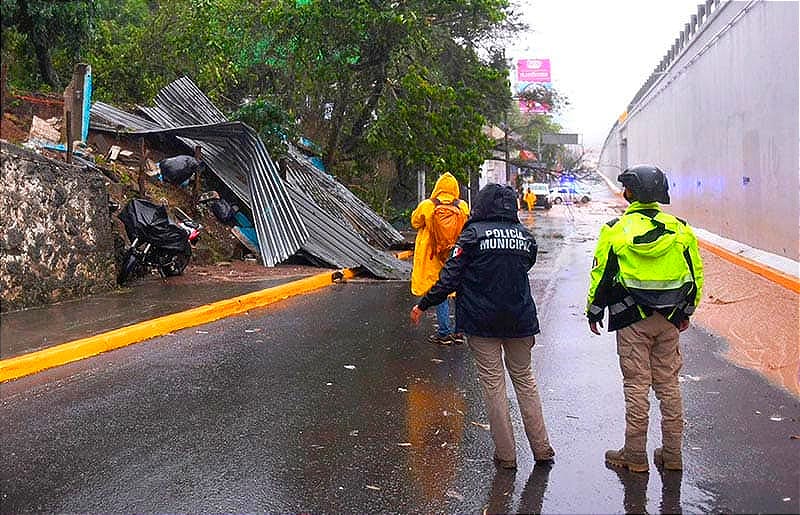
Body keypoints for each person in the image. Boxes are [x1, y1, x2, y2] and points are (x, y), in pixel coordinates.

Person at [410, 183, 555, 469]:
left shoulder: (471, 236)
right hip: (520, 320)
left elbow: (450, 278)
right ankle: (542, 449)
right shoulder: (525, 237)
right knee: (525, 382)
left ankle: (507, 455)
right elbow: (525, 265)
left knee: (494, 385)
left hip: (482, 322)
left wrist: (423, 304)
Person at [586, 164, 704, 473]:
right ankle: (673, 454)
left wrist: (594, 310)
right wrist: (686, 313)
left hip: (631, 320)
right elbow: (696, 275)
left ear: (630, 193)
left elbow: (601, 274)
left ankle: (635, 455)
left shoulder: (615, 229)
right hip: (669, 321)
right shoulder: (680, 228)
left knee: (636, 386)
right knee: (668, 385)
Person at [410, 172, 470, 345]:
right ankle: (459, 331)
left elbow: (415, 222)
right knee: (459, 290)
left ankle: (443, 332)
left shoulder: (428, 205)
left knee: (440, 290)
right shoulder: (462, 206)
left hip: (433, 255)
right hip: (455, 253)